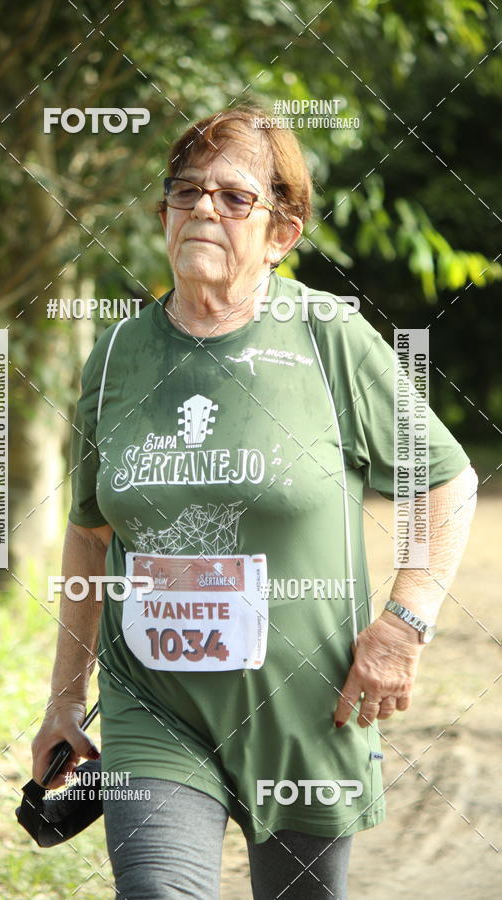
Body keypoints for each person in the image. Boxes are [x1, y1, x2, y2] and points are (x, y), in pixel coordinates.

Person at [31, 105, 477, 898]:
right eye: (186, 191)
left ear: (281, 231)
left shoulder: (328, 337)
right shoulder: (115, 357)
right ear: (165, 213)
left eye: (235, 197)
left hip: (308, 708)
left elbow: (444, 478)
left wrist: (405, 622)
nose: (203, 207)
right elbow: (90, 537)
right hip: (152, 706)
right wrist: (65, 700)